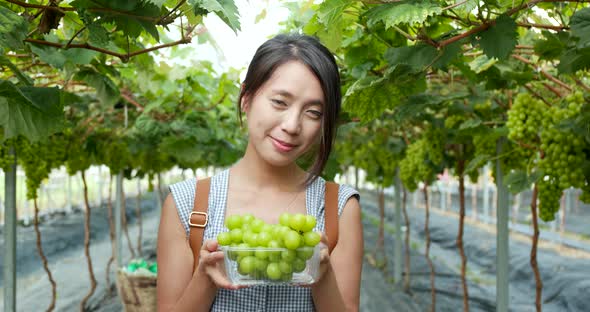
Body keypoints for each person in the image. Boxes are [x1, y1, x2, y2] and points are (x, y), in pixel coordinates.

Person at [156, 33, 363, 312]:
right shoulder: (187, 203)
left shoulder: (339, 208)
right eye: (280, 102)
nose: (292, 125)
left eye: (313, 112)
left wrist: (321, 276)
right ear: (247, 98)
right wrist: (205, 278)